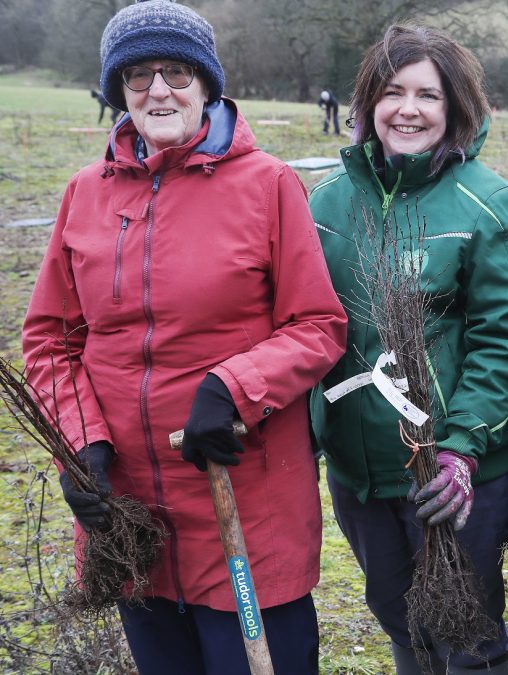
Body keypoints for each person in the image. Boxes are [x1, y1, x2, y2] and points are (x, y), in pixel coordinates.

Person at [22, 1, 348, 673]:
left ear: (206, 84)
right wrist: (81, 444)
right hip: (129, 515)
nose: (159, 90)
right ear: (118, 91)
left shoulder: (269, 185)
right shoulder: (86, 193)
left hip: (242, 505)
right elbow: (50, 339)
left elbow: (319, 326)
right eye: (138, 75)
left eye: (176, 71)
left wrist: (232, 387)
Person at [307, 24, 508, 675]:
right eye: (392, 91)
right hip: (360, 473)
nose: (408, 109)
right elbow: (306, 329)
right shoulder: (327, 202)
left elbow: (505, 341)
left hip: (453, 476)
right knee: (402, 625)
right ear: (367, 103)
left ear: (454, 107)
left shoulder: (487, 204)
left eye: (428, 96)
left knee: (467, 641)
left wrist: (461, 450)